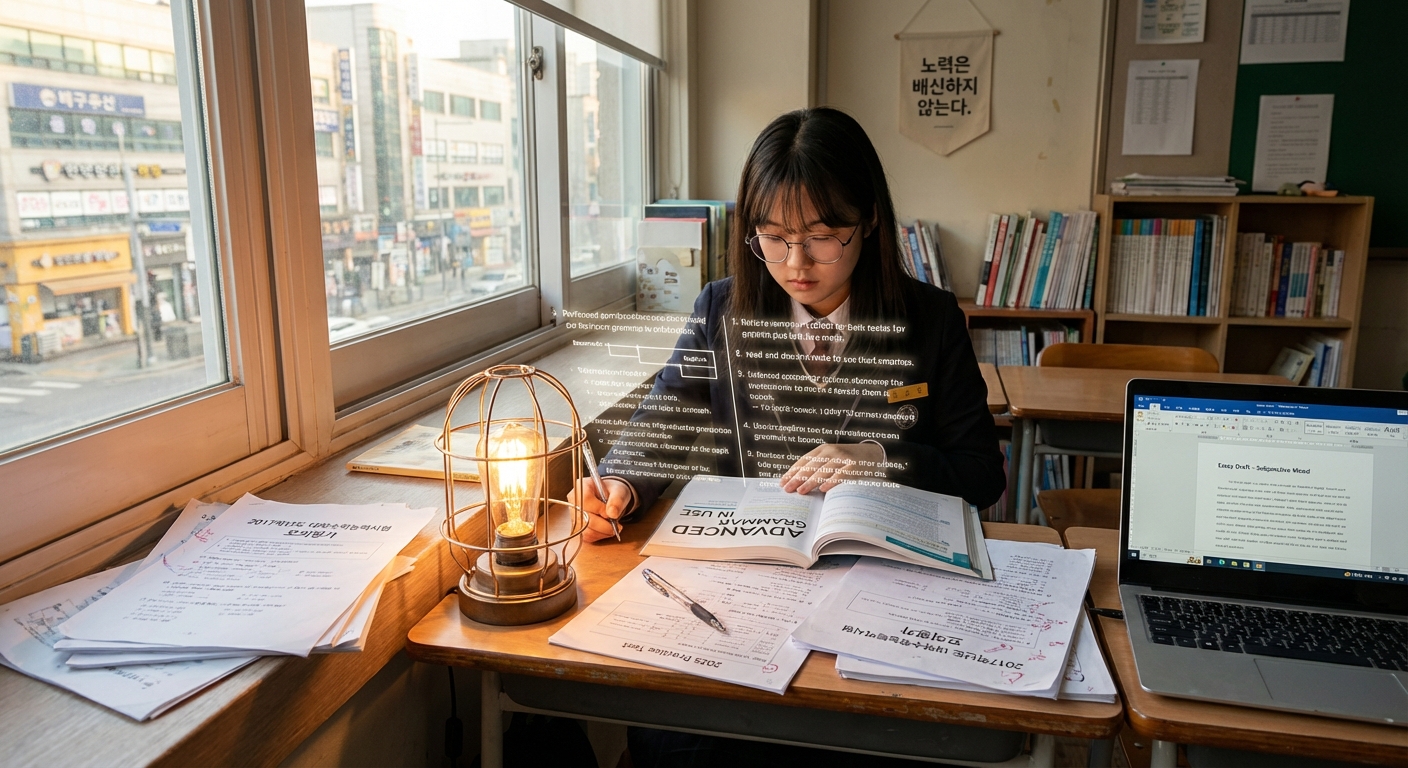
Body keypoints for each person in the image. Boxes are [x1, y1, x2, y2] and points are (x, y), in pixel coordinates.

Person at [572, 107, 1005, 544]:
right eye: (774, 237)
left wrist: (879, 458)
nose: (797, 264)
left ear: (870, 219)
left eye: (821, 237)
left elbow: (982, 474)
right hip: (758, 559)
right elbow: (665, 418)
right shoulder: (720, 310)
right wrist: (619, 482)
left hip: (886, 563)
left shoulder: (931, 319)